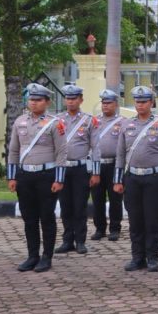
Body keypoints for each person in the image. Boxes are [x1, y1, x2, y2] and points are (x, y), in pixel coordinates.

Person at [113, 85, 158, 273]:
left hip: (155, 178)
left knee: (153, 219)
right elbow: (120, 154)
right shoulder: (126, 124)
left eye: (144, 101)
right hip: (133, 177)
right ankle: (137, 257)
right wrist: (117, 180)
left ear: (151, 102)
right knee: (135, 219)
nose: (140, 105)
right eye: (137, 101)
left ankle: (152, 257)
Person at [7, 84, 66, 272]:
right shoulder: (20, 122)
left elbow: (61, 152)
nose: (34, 103)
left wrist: (59, 179)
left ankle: (47, 257)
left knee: (46, 217)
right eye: (31, 99)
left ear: (47, 102)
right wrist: (12, 177)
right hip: (25, 176)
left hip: (46, 176)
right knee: (29, 218)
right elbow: (13, 151)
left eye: (38, 100)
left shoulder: (55, 123)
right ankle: (32, 256)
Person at [54, 85, 96, 255]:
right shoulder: (57, 120)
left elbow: (96, 147)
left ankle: (80, 241)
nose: (70, 101)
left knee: (79, 206)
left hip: (80, 169)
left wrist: (95, 172)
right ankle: (67, 240)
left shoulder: (89, 120)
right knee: (65, 206)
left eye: (74, 98)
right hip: (63, 169)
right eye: (68, 98)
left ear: (81, 100)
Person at [90, 89, 124, 242]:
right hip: (97, 165)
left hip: (114, 164)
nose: (105, 105)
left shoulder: (122, 122)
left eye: (109, 103)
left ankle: (115, 228)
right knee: (97, 198)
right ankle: (100, 228)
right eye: (103, 103)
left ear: (116, 104)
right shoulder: (94, 121)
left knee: (115, 198)